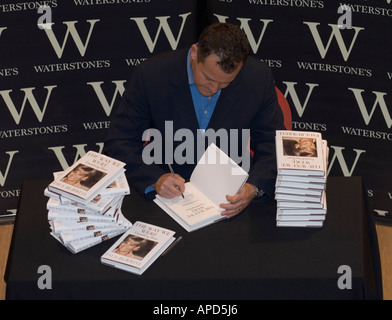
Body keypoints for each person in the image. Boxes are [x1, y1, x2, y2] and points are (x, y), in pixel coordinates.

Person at [104, 22, 285, 219]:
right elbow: (120, 141)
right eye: (208, 78)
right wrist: (155, 178)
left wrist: (254, 187)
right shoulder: (151, 75)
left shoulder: (258, 78)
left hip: (231, 199)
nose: (214, 89)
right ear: (194, 53)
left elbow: (274, 143)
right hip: (166, 198)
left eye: (226, 83)